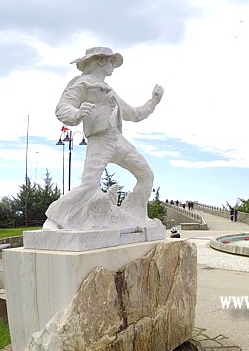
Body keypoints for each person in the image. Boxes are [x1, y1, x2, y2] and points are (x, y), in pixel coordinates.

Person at [46, 47, 164, 231]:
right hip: (100, 140)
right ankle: (53, 220)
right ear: (100, 61)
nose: (114, 66)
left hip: (118, 139)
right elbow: (62, 107)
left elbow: (134, 114)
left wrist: (153, 102)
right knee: (90, 185)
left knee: (146, 175)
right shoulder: (82, 84)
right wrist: (77, 113)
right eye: (111, 61)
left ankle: (138, 216)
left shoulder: (111, 92)